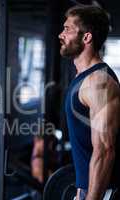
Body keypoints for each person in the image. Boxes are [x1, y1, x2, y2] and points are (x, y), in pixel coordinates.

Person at [60, 5, 120, 200]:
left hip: (107, 193)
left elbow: (104, 150)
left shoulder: (98, 82)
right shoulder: (83, 78)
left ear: (87, 37)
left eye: (68, 29)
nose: (61, 35)